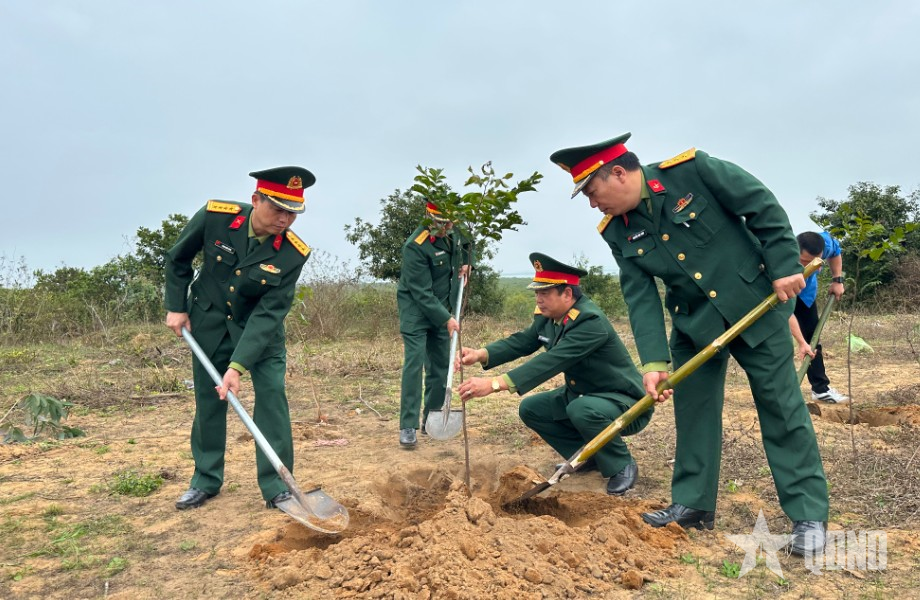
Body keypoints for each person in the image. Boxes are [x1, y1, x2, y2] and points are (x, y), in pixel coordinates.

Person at [550, 133, 828, 556]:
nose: (592, 203)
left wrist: (786, 266)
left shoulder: (694, 171)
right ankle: (694, 505)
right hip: (693, 325)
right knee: (694, 411)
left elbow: (763, 206)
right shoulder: (615, 230)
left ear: (619, 173)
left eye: (592, 191)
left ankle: (808, 514)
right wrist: (654, 361)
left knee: (780, 407)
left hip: (754, 306)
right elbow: (640, 295)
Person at [164, 166, 314, 511]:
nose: (284, 219)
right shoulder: (216, 217)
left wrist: (237, 366)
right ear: (255, 199)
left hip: (260, 336)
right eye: (277, 208)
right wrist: (176, 306)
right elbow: (178, 259)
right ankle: (205, 479)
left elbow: (269, 312)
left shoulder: (293, 253)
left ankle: (277, 485)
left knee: (273, 398)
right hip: (209, 324)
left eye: (292, 213)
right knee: (208, 400)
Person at [456, 253, 651, 495]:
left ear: (567, 294)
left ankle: (621, 465)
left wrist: (495, 384)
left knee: (581, 410)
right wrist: (481, 354)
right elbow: (525, 341)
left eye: (545, 293)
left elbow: (552, 361)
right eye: (537, 292)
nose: (538, 299)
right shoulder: (550, 316)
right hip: (584, 395)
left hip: (624, 402)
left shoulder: (590, 322)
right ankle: (588, 455)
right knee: (532, 408)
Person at [397, 201, 472, 448]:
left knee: (440, 366)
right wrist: (447, 318)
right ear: (428, 217)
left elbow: (468, 242)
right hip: (417, 312)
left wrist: (468, 263)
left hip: (441, 309)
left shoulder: (451, 232)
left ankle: (432, 416)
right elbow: (421, 293)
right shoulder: (414, 247)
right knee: (415, 363)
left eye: (449, 223)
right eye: (441, 223)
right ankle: (408, 426)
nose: (446, 228)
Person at [794, 231, 848, 403]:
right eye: (806, 263)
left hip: (806, 295)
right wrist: (800, 342)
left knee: (812, 339)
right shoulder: (780, 256)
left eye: (817, 263)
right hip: (780, 293)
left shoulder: (824, 244)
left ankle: (820, 390)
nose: (814, 268)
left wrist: (837, 280)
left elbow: (836, 251)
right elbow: (786, 314)